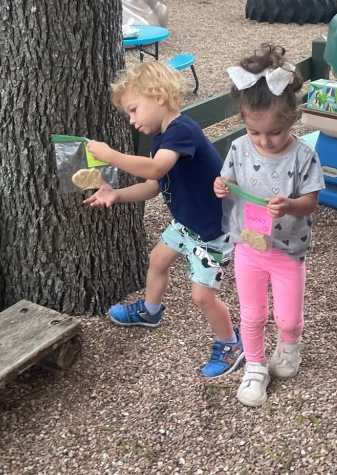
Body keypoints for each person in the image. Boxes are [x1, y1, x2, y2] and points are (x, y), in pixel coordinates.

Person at [84, 60, 242, 378]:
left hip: (212, 230)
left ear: (159, 96)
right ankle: (150, 311)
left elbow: (156, 169)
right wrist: (116, 194)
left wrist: (109, 155)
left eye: (133, 110)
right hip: (186, 222)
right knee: (157, 260)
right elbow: (154, 185)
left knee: (203, 296)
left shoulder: (182, 130)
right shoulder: (161, 137)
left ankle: (231, 345)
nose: (131, 120)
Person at [213, 44, 325, 407]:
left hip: (288, 251)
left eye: (274, 132)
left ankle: (289, 346)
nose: (264, 141)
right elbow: (227, 180)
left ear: (294, 118)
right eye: (254, 131)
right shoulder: (239, 148)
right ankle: (255, 366)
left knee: (288, 318)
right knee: (252, 314)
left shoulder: (303, 156)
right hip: (248, 246)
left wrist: (290, 205)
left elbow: (312, 200)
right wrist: (220, 185)